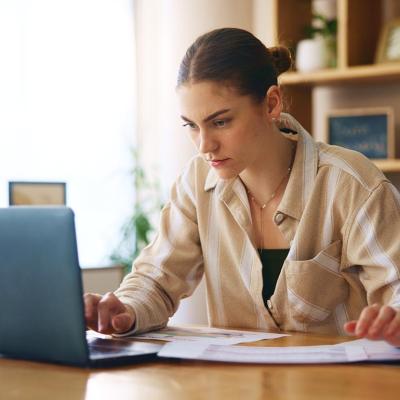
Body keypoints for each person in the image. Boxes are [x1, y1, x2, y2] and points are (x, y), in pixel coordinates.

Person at [84, 28, 400, 346]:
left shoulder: (353, 184)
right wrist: (124, 310)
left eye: (220, 122)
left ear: (271, 104)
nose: (204, 146)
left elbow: (396, 290)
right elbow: (157, 280)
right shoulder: (196, 182)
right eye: (191, 125)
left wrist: (394, 318)